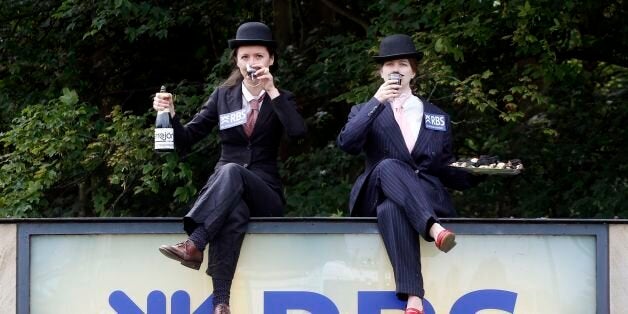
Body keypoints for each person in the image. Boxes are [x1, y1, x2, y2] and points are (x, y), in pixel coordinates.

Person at [154, 21, 306, 314]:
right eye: (245, 56)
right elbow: (186, 139)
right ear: (236, 60)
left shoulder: (280, 98)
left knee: (231, 170)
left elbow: (299, 134)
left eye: (258, 56)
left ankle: (195, 242)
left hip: (265, 193)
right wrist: (170, 115)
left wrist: (272, 91)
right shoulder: (223, 96)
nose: (252, 63)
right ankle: (221, 302)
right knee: (233, 212)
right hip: (226, 197)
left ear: (270, 59)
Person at [337, 34, 483, 314]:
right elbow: (347, 144)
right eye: (389, 64)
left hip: (418, 196)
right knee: (389, 165)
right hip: (374, 191)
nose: (396, 70)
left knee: (392, 208)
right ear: (381, 72)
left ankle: (414, 298)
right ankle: (434, 229)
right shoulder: (364, 109)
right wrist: (377, 102)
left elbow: (443, 166)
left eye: (403, 64)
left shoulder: (436, 116)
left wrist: (476, 171)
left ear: (413, 71)